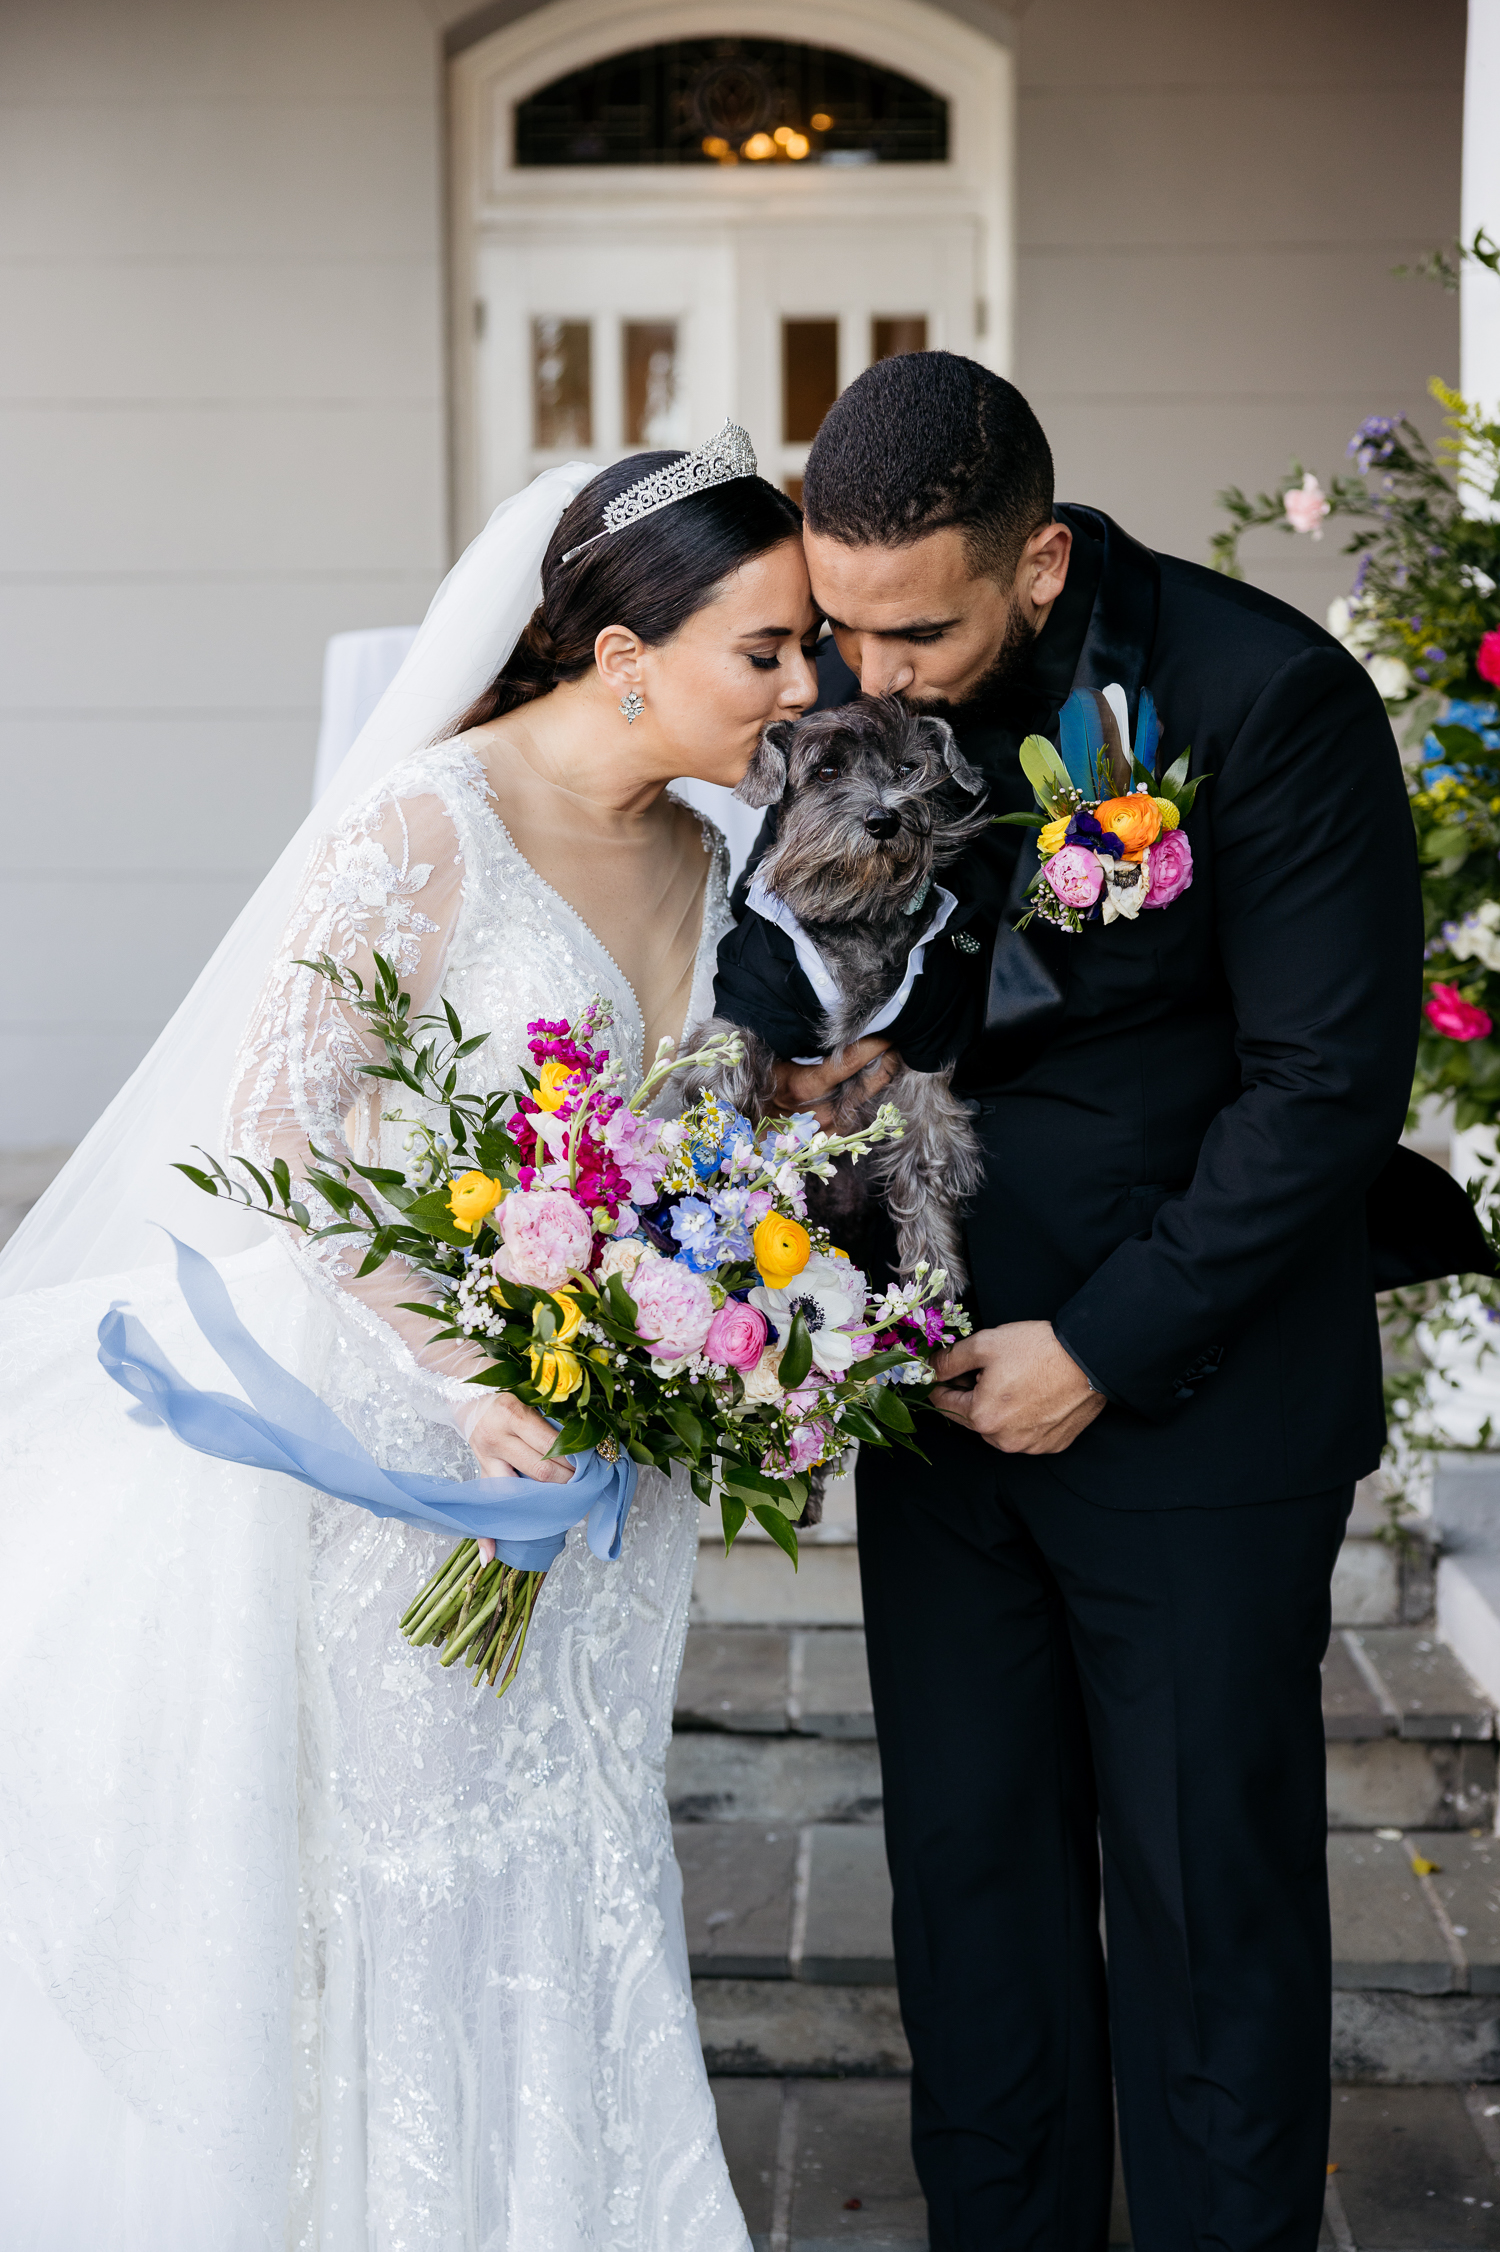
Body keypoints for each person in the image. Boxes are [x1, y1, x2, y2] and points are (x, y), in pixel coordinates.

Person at [0, 434, 816, 2250]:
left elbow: (708, 1148)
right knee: (418, 1866)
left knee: (587, 1838)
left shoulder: (714, 850)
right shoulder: (425, 827)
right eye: (765, 650)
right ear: (626, 656)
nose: (802, 686)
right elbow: (281, 1135)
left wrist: (727, 1320)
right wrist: (475, 1371)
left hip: (606, 1457)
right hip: (405, 1454)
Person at [749, 351, 1490, 2252]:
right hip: (937, 1400)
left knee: (1204, 1917)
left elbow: (1325, 1086)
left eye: (916, 628)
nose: (870, 671)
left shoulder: (1269, 700)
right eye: (840, 625)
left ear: (1045, 560)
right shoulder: (859, 681)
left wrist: (1101, 1349)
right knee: (971, 1908)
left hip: (1192, 1413)